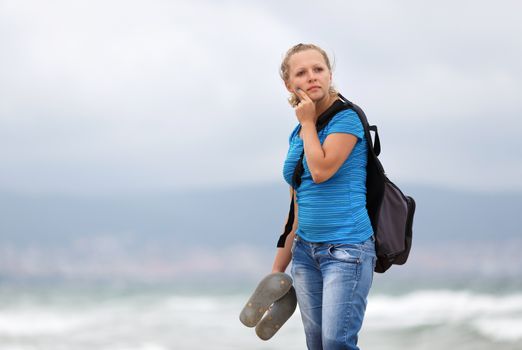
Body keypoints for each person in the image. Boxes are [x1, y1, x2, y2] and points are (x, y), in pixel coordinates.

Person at [271, 43, 376, 350]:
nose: (312, 77)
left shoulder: (346, 120)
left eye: (318, 69)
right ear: (290, 84)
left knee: (336, 343)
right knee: (316, 344)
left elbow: (321, 171)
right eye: (301, 73)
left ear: (330, 74)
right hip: (305, 253)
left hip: (347, 250)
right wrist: (276, 272)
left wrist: (306, 123)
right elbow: (296, 207)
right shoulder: (298, 134)